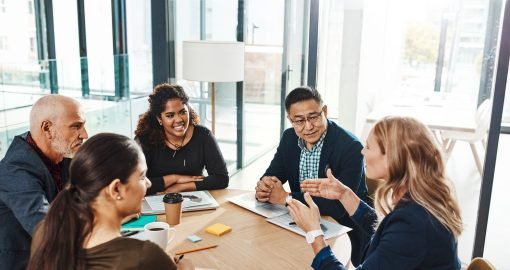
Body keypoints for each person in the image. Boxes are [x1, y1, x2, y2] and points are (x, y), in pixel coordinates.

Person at [287, 116, 463, 269]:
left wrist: (314, 233)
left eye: (368, 147)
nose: (362, 151)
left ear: (392, 157)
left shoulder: (414, 224)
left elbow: (399, 231)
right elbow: (386, 230)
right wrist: (344, 194)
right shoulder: (420, 198)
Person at [28, 133, 194, 270]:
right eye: (142, 177)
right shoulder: (143, 257)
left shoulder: (45, 231)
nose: (149, 184)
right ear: (116, 189)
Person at [255, 86, 370, 266]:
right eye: (299, 121)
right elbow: (274, 173)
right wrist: (266, 186)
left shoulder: (351, 146)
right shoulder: (289, 138)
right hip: (300, 226)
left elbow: (339, 207)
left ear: (324, 111)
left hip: (343, 230)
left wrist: (286, 198)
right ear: (290, 120)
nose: (308, 127)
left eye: (314, 117)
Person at [0, 95, 88, 270]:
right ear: (47, 128)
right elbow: (48, 230)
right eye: (76, 126)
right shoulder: (14, 170)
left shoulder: (62, 156)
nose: (85, 134)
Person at [135, 83, 229, 195]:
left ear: (188, 110)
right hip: (154, 202)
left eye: (182, 112)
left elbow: (221, 178)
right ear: (159, 118)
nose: (179, 119)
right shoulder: (144, 140)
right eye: (170, 115)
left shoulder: (203, 135)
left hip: (194, 201)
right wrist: (174, 178)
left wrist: (181, 187)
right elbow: (134, 185)